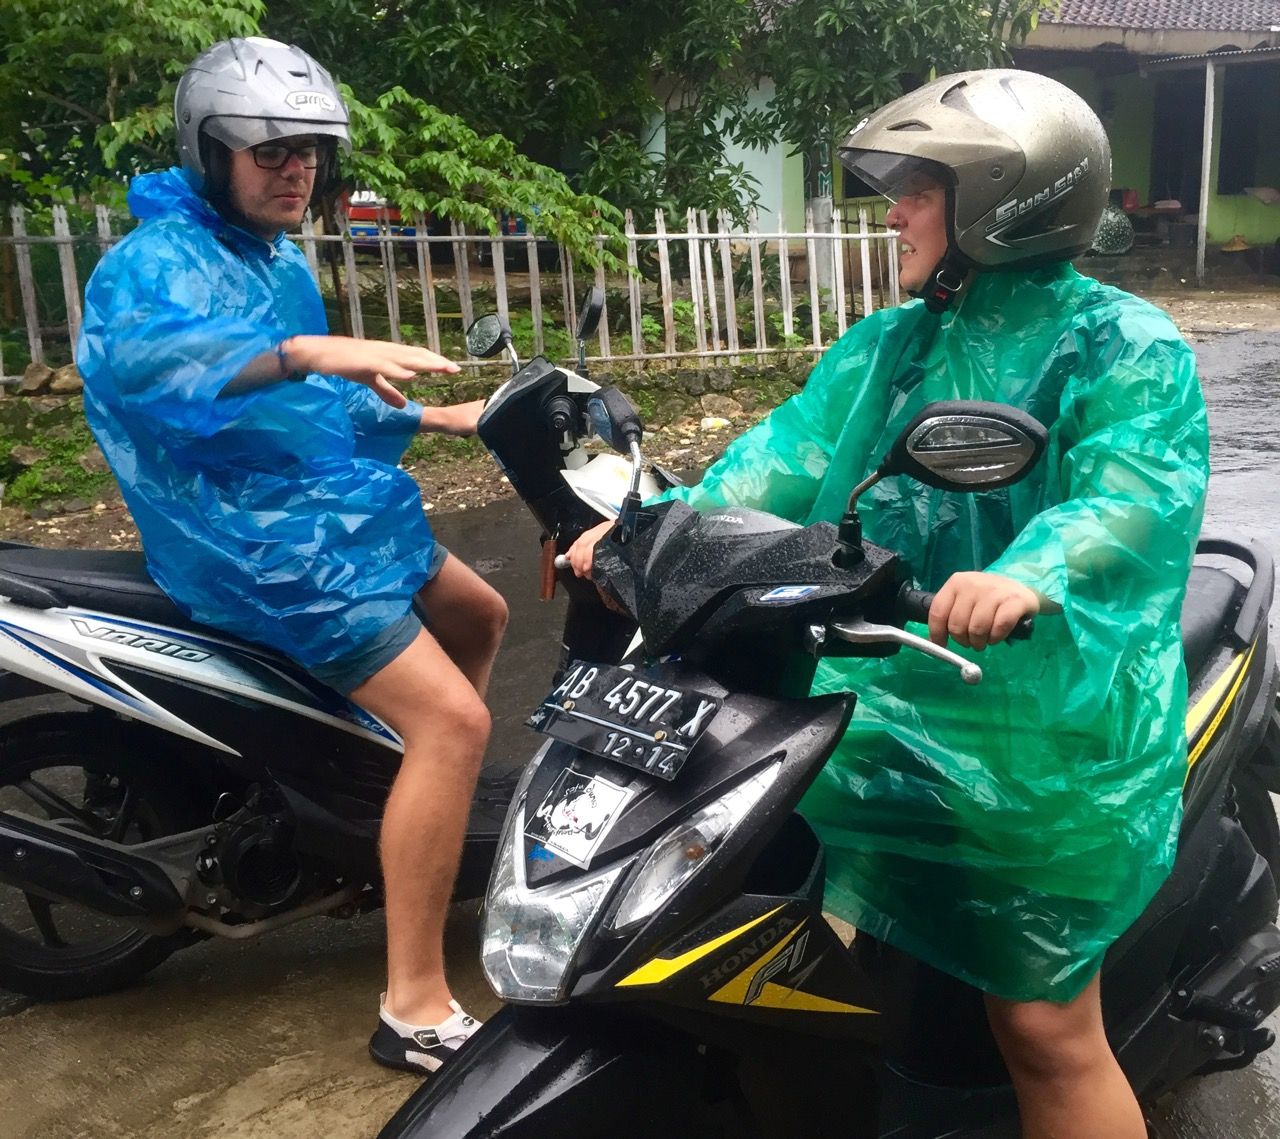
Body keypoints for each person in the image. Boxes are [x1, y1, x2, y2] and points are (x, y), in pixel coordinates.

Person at [569, 69, 1208, 1138]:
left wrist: (1030, 571)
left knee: (1043, 1030)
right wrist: (641, 527)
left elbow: (1130, 494)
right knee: (797, 963)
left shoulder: (1122, 344)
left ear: (1001, 201)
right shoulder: (889, 344)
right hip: (874, 701)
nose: (894, 212)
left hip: (1039, 737)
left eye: (919, 188)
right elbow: (774, 462)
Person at [76, 37, 504, 1076]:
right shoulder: (152, 263)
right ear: (207, 150)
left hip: (313, 512)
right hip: (248, 539)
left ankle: (385, 795)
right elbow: (148, 368)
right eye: (267, 150)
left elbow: (310, 403)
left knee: (482, 613)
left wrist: (439, 414)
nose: (295, 169)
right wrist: (307, 351)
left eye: (308, 150)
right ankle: (413, 1003)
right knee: (454, 720)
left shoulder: (275, 259)